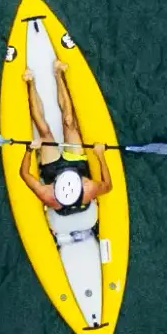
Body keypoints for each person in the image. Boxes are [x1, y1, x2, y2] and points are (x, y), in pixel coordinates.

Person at [20, 62, 113, 221]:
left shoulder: (47, 194)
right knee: (63, 125)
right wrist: (100, 155)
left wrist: (29, 150)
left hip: (52, 169)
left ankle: (37, 81)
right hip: (77, 164)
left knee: (49, 130)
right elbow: (108, 186)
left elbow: (24, 173)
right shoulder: (89, 188)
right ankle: (50, 77)